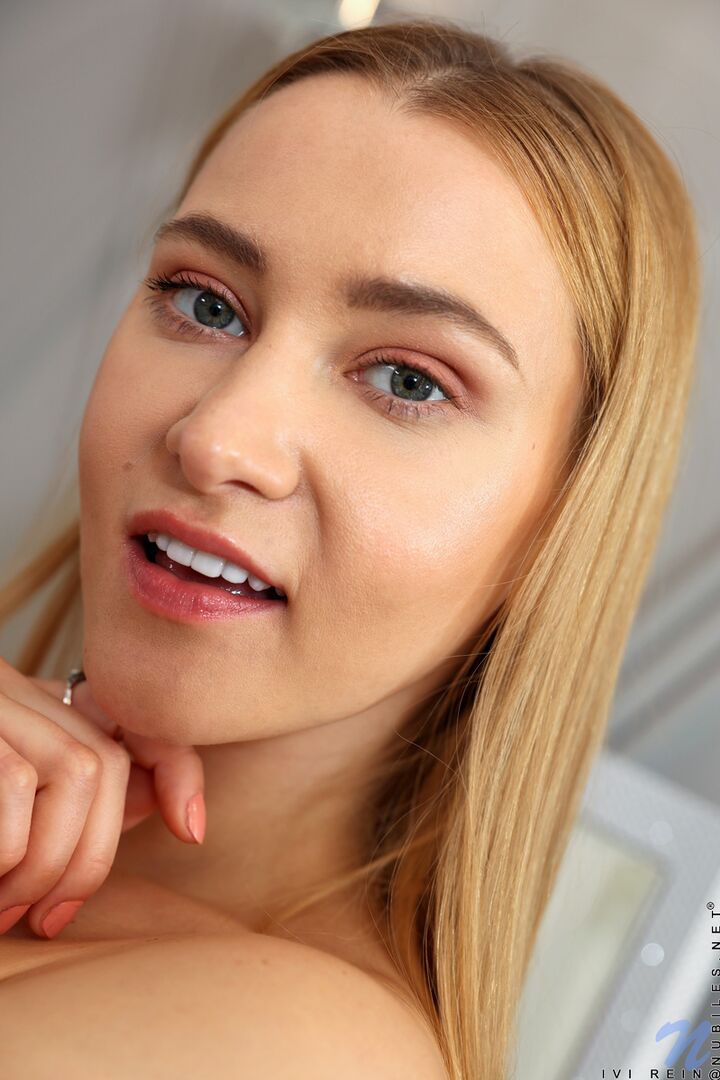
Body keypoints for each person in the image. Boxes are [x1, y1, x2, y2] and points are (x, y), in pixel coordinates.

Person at [0, 16, 702, 1080]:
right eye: (205, 303)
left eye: (409, 381)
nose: (218, 438)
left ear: (558, 529)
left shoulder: (298, 1050)